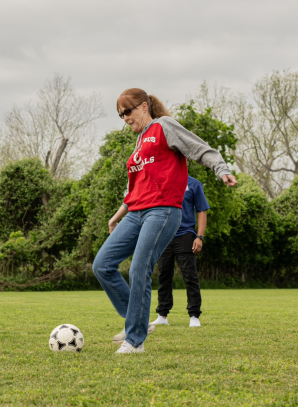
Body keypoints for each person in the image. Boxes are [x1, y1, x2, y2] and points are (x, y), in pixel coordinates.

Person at [93, 88, 237, 354]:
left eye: (128, 111)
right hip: (136, 213)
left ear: (144, 106)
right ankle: (135, 320)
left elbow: (199, 148)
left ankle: (135, 341)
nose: (125, 118)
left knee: (139, 268)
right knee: (102, 265)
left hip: (162, 211)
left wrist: (222, 169)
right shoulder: (138, 144)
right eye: (120, 115)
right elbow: (134, 192)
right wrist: (116, 218)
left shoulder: (163, 126)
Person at [150, 176, 209, 328]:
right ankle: (162, 315)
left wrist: (199, 237)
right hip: (164, 235)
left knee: (190, 276)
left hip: (186, 235)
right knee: (164, 275)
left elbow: (202, 210)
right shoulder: (161, 180)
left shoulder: (194, 184)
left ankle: (194, 316)